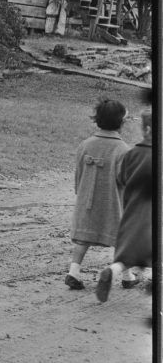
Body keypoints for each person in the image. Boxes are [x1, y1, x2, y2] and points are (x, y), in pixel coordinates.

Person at [66, 97, 130, 290]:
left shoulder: (85, 144)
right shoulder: (122, 150)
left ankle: (73, 271)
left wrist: (81, 193)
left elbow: (78, 173)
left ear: (97, 120)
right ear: (121, 123)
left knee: (84, 237)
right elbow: (125, 180)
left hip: (87, 201)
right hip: (113, 204)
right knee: (122, 238)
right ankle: (127, 276)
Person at [96, 106, 154, 303]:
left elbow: (121, 178)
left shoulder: (132, 153)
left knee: (127, 255)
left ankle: (111, 271)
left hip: (132, 209)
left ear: (145, 130)